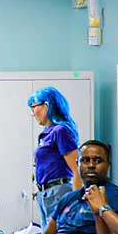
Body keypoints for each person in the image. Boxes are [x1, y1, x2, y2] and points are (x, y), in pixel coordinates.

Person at [39, 140, 118, 234]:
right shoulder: (68, 198)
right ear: (78, 164)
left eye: (98, 161)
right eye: (85, 160)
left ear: (108, 165)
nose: (91, 165)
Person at [29, 86, 81, 224]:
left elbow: (76, 170)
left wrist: (77, 203)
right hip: (45, 193)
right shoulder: (47, 133)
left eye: (34, 107)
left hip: (58, 192)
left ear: (47, 106)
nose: (33, 113)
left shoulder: (61, 131)